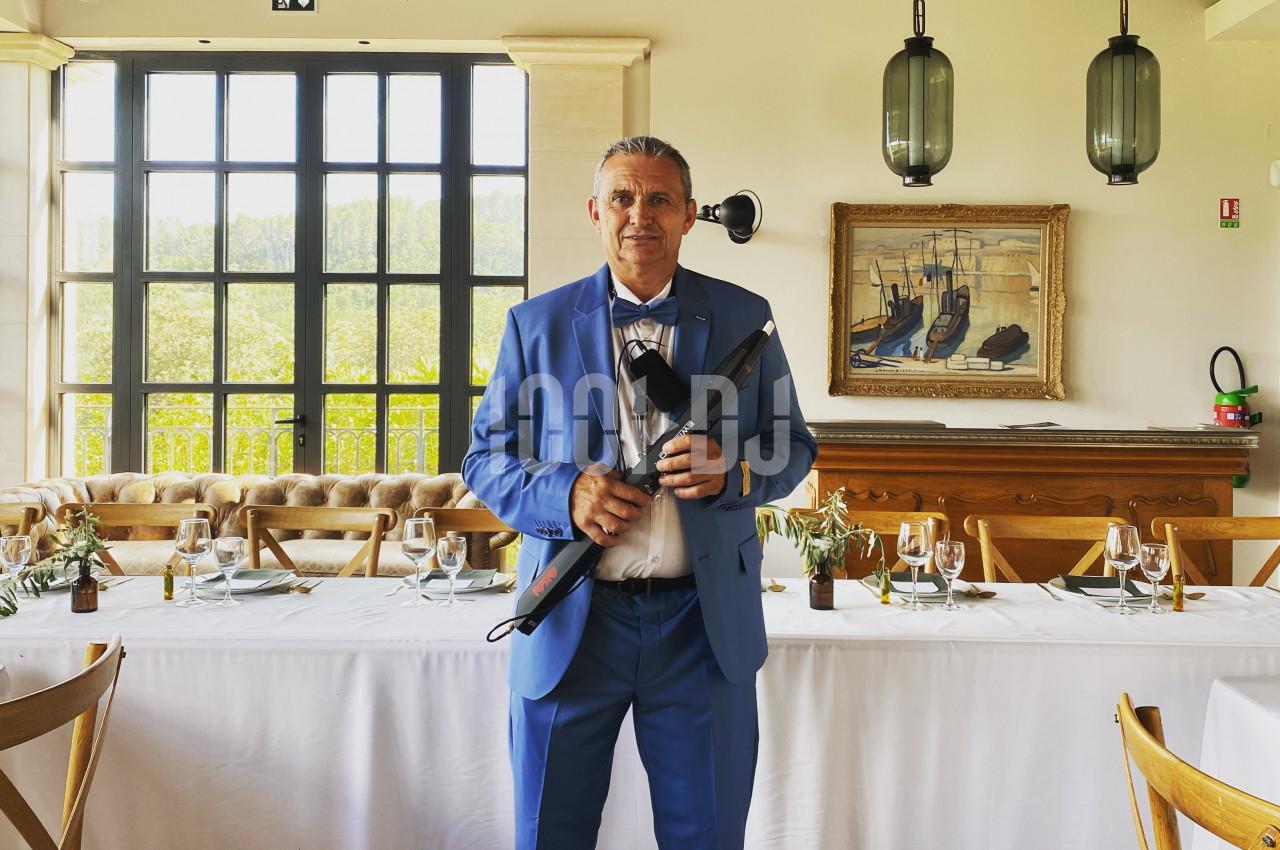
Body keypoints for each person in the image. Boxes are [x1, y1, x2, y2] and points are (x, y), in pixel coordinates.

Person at [462, 136, 816, 850]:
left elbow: (793, 447)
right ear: (596, 211)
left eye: (659, 199)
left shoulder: (747, 317)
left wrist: (733, 471)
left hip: (703, 627)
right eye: (622, 197)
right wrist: (565, 493)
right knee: (549, 835)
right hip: (570, 623)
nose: (639, 215)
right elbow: (484, 459)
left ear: (688, 214)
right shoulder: (533, 325)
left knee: (707, 838)